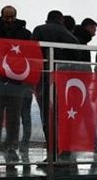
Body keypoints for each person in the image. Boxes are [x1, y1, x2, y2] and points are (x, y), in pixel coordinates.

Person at [0, 5, 32, 165]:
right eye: (6, 17)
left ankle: (11, 148)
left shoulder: (25, 34)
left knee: (14, 117)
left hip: (17, 81)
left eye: (11, 17)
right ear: (1, 16)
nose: (9, 20)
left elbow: (30, 56)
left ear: (15, 17)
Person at [30, 10, 80, 158]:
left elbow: (33, 54)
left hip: (45, 79)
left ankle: (52, 153)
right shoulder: (72, 37)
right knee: (64, 117)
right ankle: (65, 150)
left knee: (48, 117)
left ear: (48, 19)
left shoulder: (40, 30)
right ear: (62, 20)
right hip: (66, 82)